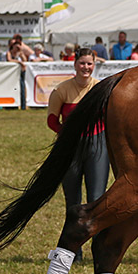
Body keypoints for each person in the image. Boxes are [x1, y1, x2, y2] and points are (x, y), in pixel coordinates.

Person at [47, 48, 109, 261]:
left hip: (97, 146)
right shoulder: (62, 90)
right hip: (70, 149)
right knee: (73, 202)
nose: (86, 68)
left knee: (97, 201)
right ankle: (73, 252)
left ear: (94, 65)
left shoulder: (100, 88)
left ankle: (99, 251)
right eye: (82, 63)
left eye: (89, 64)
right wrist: (68, 136)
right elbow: (52, 120)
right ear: (74, 64)